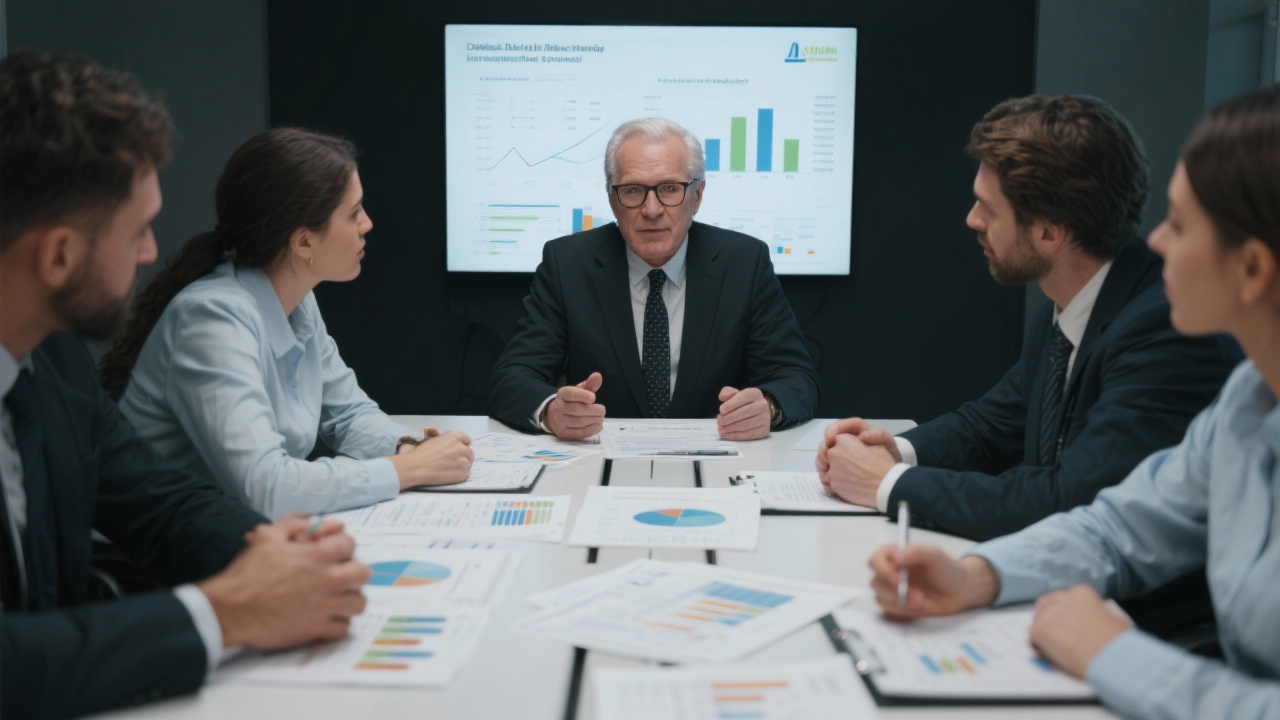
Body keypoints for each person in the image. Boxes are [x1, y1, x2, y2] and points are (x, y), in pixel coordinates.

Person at [868, 84, 1280, 719]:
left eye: (1181, 223)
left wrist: (1113, 653)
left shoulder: (1165, 333)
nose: (1159, 241)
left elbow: (1074, 497)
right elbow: (1118, 524)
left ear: (1252, 269)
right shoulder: (1249, 401)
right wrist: (981, 577)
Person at [0, 52, 370, 718]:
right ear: (57, 255)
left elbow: (157, 498)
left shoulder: (47, 358)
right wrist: (220, 613)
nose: (150, 253)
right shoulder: (206, 310)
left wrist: (272, 551)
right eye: (137, 230)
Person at [816, 95, 1237, 541]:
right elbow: (991, 425)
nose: (971, 219)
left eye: (988, 208)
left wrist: (885, 483)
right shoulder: (1071, 300)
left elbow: (1069, 501)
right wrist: (893, 451)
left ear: (1049, 232)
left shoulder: (1165, 333)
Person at [99, 128, 474, 520]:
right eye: (353, 213)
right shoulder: (211, 319)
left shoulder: (297, 301)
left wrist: (410, 447)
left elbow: (348, 414)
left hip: (226, 534)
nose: (367, 224)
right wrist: (407, 469)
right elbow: (267, 488)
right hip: (160, 556)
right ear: (304, 243)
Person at [488, 117, 819, 442]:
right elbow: (512, 377)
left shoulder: (744, 263)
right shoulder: (568, 264)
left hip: (714, 463)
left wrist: (768, 406)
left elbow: (796, 378)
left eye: (669, 189)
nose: (651, 209)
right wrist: (550, 411)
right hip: (597, 464)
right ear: (612, 199)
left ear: (698, 196)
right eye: (633, 190)